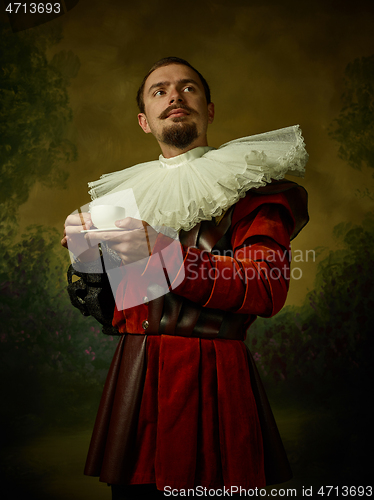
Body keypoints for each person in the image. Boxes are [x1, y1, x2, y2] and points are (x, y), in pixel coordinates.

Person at [61, 57, 309, 499]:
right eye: (159, 91)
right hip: (136, 378)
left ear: (209, 109)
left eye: (188, 88)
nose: (174, 96)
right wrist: (89, 254)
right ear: (144, 121)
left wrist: (148, 247)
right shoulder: (126, 201)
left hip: (214, 378)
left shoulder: (257, 191)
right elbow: (126, 308)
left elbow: (264, 287)